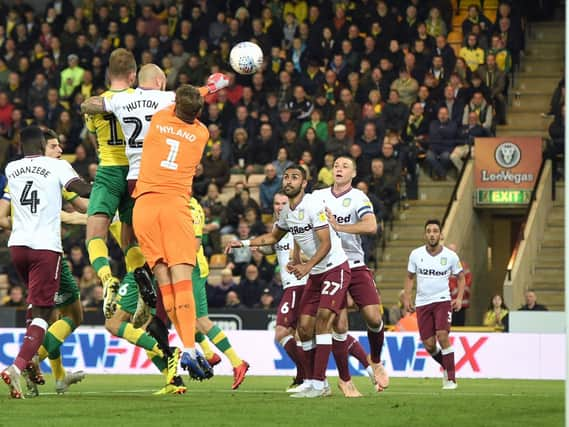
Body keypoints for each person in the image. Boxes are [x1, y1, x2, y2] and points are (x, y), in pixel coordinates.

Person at [226, 165, 351, 398]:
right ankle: (313, 380)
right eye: (286, 177)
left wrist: (306, 265)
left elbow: (327, 243)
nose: (289, 181)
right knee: (303, 329)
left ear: (304, 183)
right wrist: (242, 243)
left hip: (334, 268)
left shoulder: (313, 205)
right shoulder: (286, 213)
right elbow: (272, 237)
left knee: (323, 321)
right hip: (315, 272)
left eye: (295, 178)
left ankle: (320, 383)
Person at [132, 84, 215, 381]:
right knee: (182, 283)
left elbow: (178, 98)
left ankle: (186, 347)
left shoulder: (160, 119)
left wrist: (208, 86)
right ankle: (190, 348)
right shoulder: (201, 134)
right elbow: (191, 105)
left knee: (164, 281)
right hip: (174, 207)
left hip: (144, 208)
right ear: (199, 112)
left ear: (175, 105)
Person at [1, 126, 91, 399]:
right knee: (45, 315)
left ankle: (41, 369)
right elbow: (81, 190)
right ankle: (18, 366)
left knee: (36, 307)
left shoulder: (11, 168)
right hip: (45, 249)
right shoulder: (57, 167)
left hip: (17, 247)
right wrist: (108, 186)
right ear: (42, 146)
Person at [313, 156, 389, 396]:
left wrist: (339, 227)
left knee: (374, 318)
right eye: (336, 165)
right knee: (340, 324)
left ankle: (374, 360)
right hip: (331, 266)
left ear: (353, 173)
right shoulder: (318, 197)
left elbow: (371, 226)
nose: (339, 169)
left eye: (345, 166)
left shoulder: (358, 197)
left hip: (355, 265)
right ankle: (345, 380)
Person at [81, 49, 143, 319]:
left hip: (108, 170)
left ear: (109, 74)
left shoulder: (96, 102)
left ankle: (107, 278)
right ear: (133, 75)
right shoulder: (142, 100)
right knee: (130, 238)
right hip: (135, 172)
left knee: (95, 234)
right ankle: (141, 284)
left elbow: (95, 143)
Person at [189, 196, 249, 389]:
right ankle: (209, 354)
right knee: (184, 317)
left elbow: (194, 243)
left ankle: (237, 362)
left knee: (201, 320)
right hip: (183, 267)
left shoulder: (190, 206)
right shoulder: (176, 203)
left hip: (191, 267)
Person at [404, 219, 465, 390]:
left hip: (442, 301)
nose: (432, 234)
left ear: (441, 234)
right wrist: (407, 298)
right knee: (430, 345)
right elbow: (409, 277)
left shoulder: (450, 256)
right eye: (429, 231)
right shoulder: (416, 255)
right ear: (425, 234)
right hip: (422, 303)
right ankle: (447, 366)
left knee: (442, 335)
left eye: (435, 231)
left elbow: (461, 277)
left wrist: (459, 298)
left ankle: (451, 379)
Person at [447, 243, 472, 326]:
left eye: (453, 251)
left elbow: (468, 279)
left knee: (460, 324)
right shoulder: (443, 265)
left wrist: (461, 291)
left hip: (462, 302)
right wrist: (453, 290)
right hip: (447, 302)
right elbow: (444, 280)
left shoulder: (463, 265)